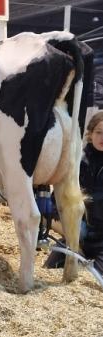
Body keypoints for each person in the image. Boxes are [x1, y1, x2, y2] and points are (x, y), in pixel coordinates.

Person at [45, 111, 103, 273]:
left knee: (94, 280)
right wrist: (66, 228)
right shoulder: (77, 161)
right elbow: (57, 199)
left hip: (101, 241)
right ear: (90, 134)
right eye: (99, 132)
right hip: (76, 235)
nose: (102, 138)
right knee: (49, 270)